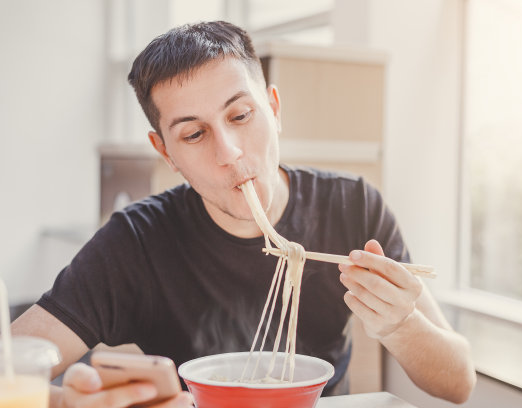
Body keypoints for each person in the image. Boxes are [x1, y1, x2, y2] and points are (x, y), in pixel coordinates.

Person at [11, 21, 476, 407]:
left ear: (273, 109)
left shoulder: (351, 207)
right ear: (166, 152)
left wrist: (401, 325)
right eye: (194, 135)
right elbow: (9, 366)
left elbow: (458, 384)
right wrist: (65, 401)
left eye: (240, 116)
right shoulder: (137, 241)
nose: (229, 153)